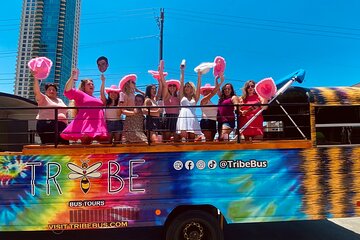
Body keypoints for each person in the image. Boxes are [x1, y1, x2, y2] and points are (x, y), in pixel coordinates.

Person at [60, 69, 109, 144]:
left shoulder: (96, 98)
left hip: (98, 124)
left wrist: (103, 82)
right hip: (86, 124)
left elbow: (104, 100)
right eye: (88, 84)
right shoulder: (80, 94)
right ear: (83, 87)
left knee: (105, 143)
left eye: (92, 84)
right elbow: (67, 90)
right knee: (86, 143)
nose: (91, 85)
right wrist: (72, 77)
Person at [32, 75, 68, 145]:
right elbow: (36, 91)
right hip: (47, 124)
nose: (52, 91)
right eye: (49, 89)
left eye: (54, 90)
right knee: (50, 144)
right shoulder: (43, 98)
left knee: (64, 144)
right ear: (46, 92)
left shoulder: (60, 100)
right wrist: (36, 78)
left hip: (62, 126)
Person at [176, 65, 203, 141]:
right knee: (183, 137)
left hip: (192, 117)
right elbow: (181, 83)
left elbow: (198, 88)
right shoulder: (182, 96)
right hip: (183, 116)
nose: (186, 88)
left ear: (192, 88)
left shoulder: (195, 98)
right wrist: (182, 71)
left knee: (192, 137)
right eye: (186, 86)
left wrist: (199, 76)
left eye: (188, 86)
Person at [199, 74, 224, 141]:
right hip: (206, 120)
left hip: (213, 121)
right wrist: (221, 82)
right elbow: (213, 93)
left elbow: (218, 93)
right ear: (203, 93)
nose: (207, 92)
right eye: (205, 91)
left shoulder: (211, 102)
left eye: (208, 90)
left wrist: (216, 80)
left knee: (211, 139)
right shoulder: (203, 100)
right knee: (208, 139)